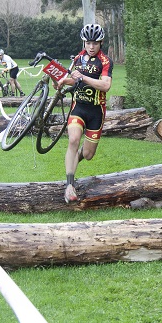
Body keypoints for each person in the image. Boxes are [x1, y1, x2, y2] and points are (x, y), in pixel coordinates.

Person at [57, 23, 113, 203]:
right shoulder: (78, 59)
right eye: (88, 43)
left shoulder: (105, 61)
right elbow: (73, 81)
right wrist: (61, 82)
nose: (91, 47)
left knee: (88, 155)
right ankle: (69, 186)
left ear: (101, 42)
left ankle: (76, 158)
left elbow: (105, 85)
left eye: (95, 43)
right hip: (78, 107)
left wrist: (84, 78)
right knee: (73, 140)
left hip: (96, 112)